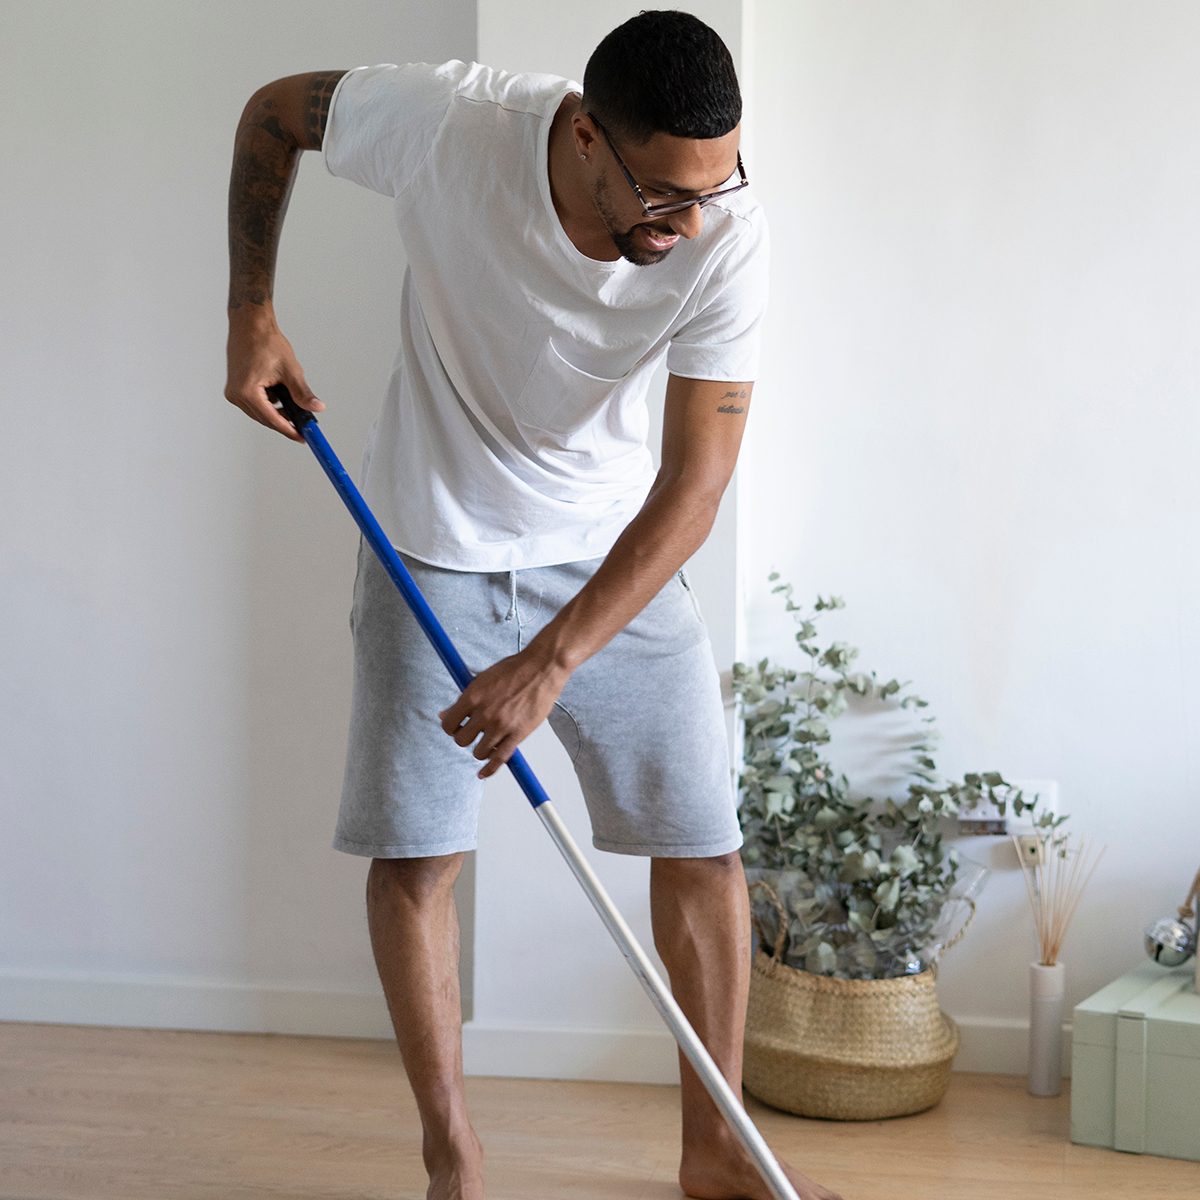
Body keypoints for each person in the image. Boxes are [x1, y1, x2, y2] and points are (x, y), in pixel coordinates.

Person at [225, 11, 842, 1200]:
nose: (690, 223)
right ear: (584, 138)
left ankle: (714, 1154)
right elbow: (271, 114)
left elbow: (696, 483)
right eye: (664, 193)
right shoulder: (450, 122)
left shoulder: (726, 239)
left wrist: (553, 661)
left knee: (703, 843)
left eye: (716, 188)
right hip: (433, 540)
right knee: (417, 856)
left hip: (615, 552)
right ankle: (451, 1153)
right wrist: (252, 306)